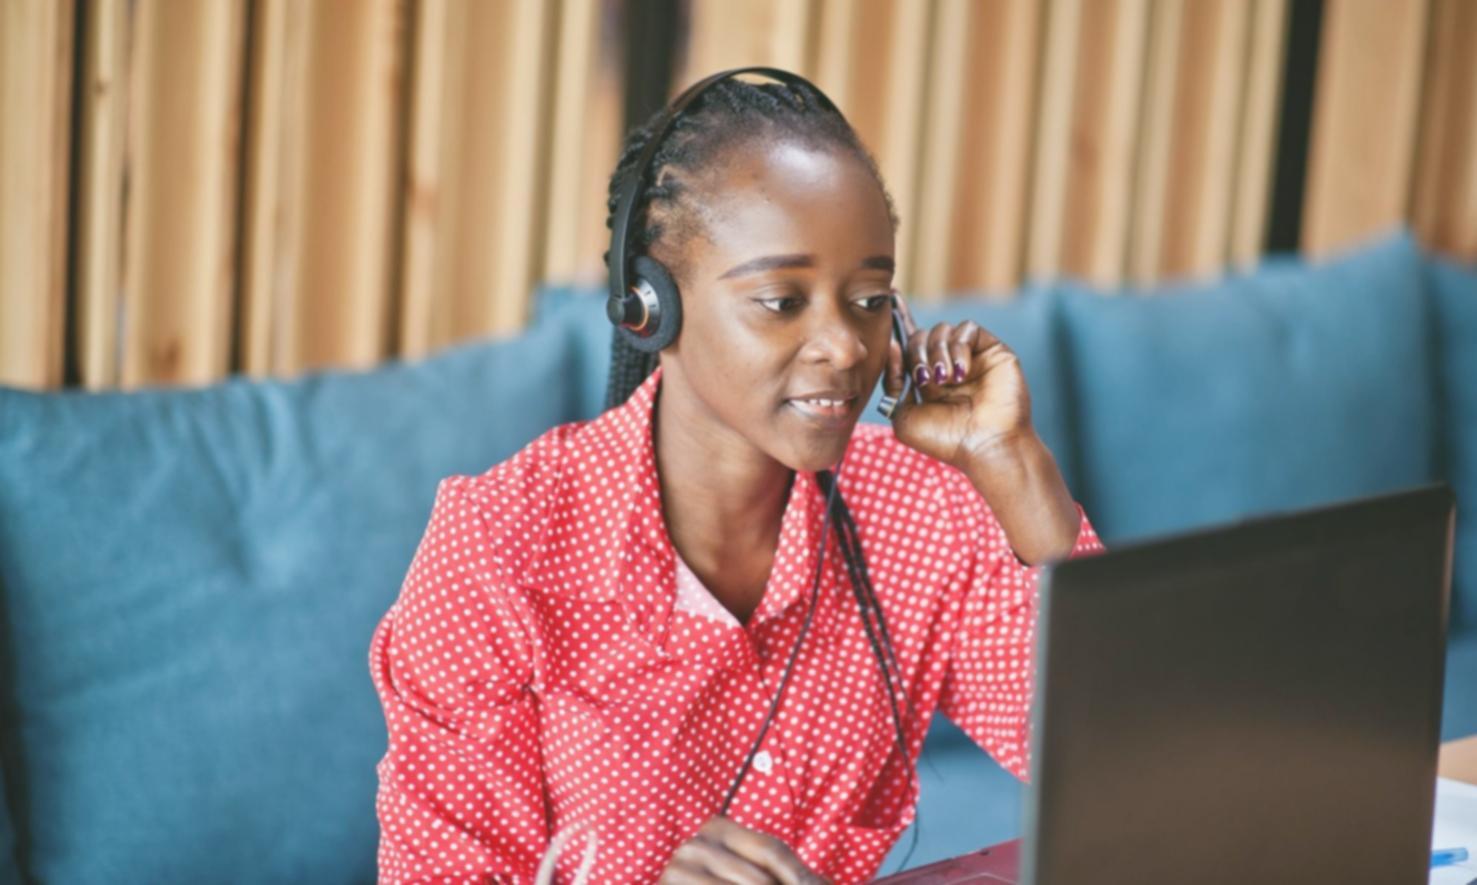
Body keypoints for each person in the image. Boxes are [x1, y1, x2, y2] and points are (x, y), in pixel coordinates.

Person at [369, 70, 1105, 885]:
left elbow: (1134, 753)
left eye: (867, 298)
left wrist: (1014, 465)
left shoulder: (923, 510)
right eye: (781, 301)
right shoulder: (499, 549)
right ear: (652, 307)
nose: (844, 347)